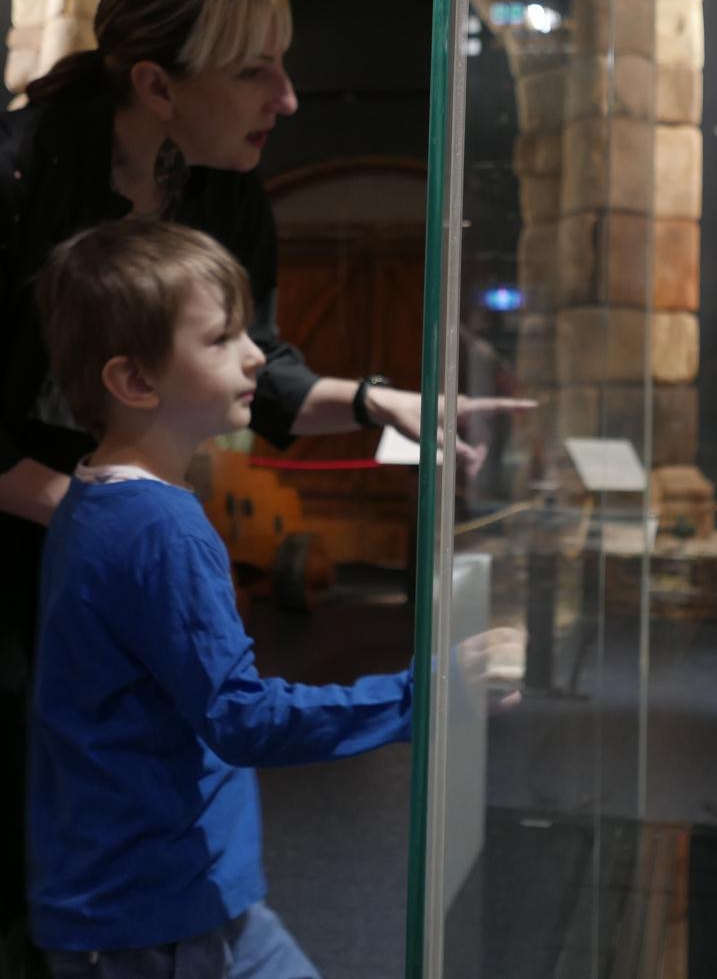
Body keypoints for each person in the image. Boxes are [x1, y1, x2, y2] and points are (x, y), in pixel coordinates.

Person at [0, 0, 531, 975]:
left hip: (103, 510)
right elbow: (247, 716)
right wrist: (89, 511)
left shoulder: (217, 186)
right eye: (255, 71)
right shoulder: (17, 173)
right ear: (155, 85)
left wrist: (384, 403)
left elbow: (256, 367)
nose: (288, 99)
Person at [28, 219, 521, 978]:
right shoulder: (161, 529)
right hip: (154, 920)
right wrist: (433, 693)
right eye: (222, 338)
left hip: (170, 897)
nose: (256, 353)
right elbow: (242, 719)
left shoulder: (94, 501)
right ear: (135, 381)